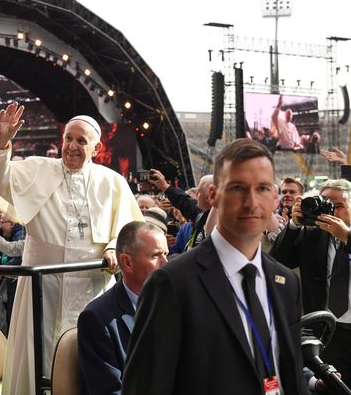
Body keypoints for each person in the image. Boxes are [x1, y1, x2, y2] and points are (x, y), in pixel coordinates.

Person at [0, 103, 143, 395]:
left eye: (81, 140)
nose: (72, 146)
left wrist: (114, 247)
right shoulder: (38, 169)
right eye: (68, 138)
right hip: (42, 288)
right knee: (35, 361)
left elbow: (129, 230)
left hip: (90, 290)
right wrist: (2, 141)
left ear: (96, 146)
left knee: (88, 366)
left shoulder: (113, 183)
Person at [123, 138, 309, 395]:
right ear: (213, 196)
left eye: (263, 189)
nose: (251, 202)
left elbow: (290, 374)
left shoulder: (286, 282)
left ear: (275, 199)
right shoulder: (172, 283)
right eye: (237, 188)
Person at [271, 178, 351, 394]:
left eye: (338, 206)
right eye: (326, 204)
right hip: (331, 337)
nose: (332, 211)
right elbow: (277, 263)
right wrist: (293, 225)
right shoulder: (312, 234)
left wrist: (348, 237)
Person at [77, 221, 168, 395]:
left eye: (166, 254)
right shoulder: (98, 318)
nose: (165, 263)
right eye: (156, 256)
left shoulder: (176, 303)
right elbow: (109, 390)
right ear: (127, 262)